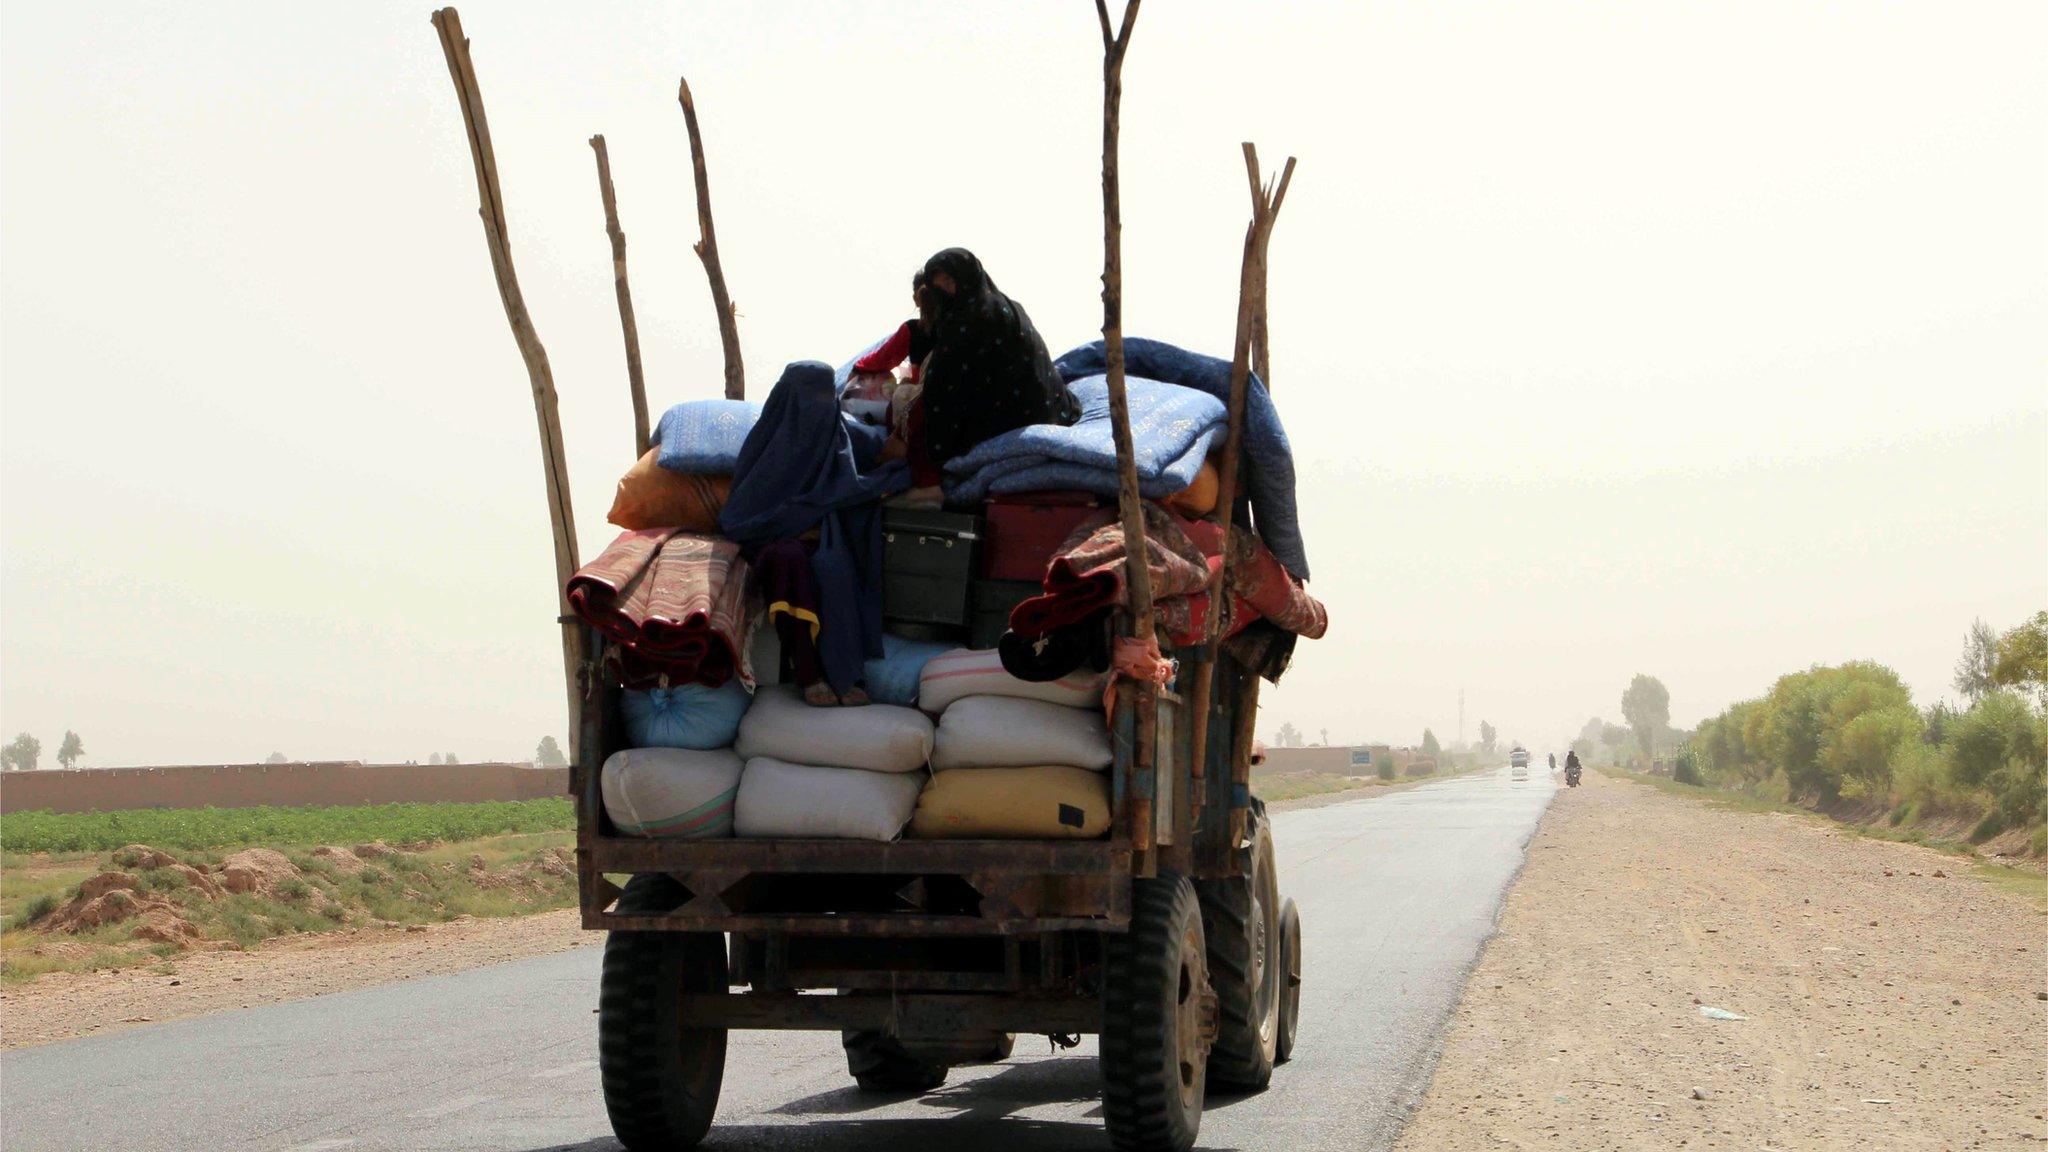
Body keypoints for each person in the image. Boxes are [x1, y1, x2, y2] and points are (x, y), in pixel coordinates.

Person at [915, 247, 1076, 465]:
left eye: (949, 280)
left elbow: (942, 385)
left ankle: (931, 481)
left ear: (968, 275)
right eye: (939, 285)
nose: (947, 289)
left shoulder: (971, 321)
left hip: (1015, 416)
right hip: (1050, 408)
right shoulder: (1007, 305)